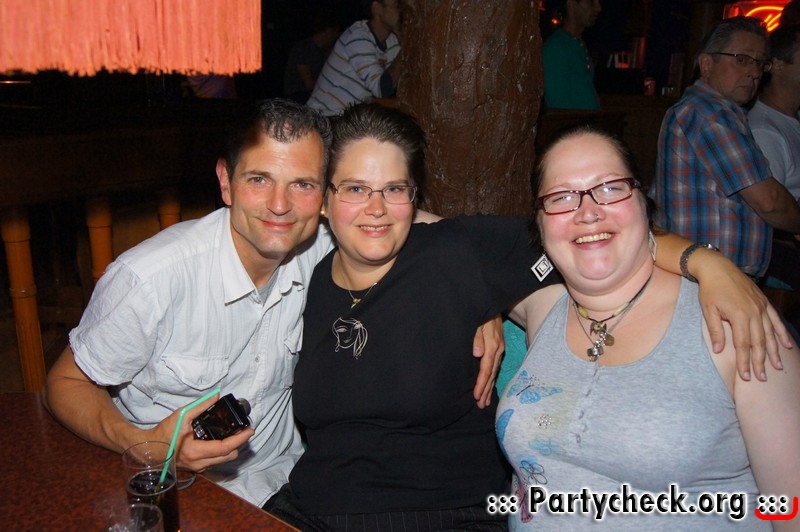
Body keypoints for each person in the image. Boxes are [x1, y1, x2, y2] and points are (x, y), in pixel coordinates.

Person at [264, 104, 790, 531]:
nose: (376, 207)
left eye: (394, 189)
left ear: (413, 196)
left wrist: (706, 261)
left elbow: (590, 237)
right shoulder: (305, 272)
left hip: (435, 513)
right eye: (355, 188)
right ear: (325, 201)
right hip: (309, 507)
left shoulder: (459, 253)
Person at [41, 98, 506, 508]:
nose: (280, 205)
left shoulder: (324, 245)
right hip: (178, 488)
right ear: (226, 181)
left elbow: (400, 218)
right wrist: (147, 445)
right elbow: (64, 382)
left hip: (287, 485)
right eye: (260, 179)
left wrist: (476, 292)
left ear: (324, 197)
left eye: (302, 184)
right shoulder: (151, 279)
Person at [499, 124, 800, 529]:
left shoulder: (735, 324)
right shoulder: (543, 306)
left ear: (644, 203)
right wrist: (484, 313)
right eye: (562, 197)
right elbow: (430, 233)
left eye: (611, 188)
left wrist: (706, 261)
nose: (588, 212)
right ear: (538, 224)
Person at [648, 16, 800, 284]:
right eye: (742, 59)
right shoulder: (708, 113)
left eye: (759, 63)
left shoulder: (717, 112)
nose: (754, 72)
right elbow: (770, 201)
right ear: (707, 64)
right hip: (706, 278)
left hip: (709, 275)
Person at [749, 23, 800, 293]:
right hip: (780, 257)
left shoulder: (792, 120)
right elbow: (768, 214)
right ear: (778, 65)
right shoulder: (765, 130)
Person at [306, 0, 401, 116]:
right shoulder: (358, 37)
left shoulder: (392, 42)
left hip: (348, 118)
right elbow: (382, 88)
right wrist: (407, 50)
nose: (402, 11)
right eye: (397, 5)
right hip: (324, 116)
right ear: (377, 8)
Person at [541, 0, 602, 110]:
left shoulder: (578, 43)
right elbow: (557, 105)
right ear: (571, 5)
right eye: (591, 1)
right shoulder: (556, 47)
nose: (598, 8)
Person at [283, 14, 340, 104]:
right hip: (299, 96)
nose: (336, 38)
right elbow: (309, 84)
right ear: (328, 31)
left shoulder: (325, 51)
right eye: (335, 34)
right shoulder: (302, 48)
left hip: (315, 95)